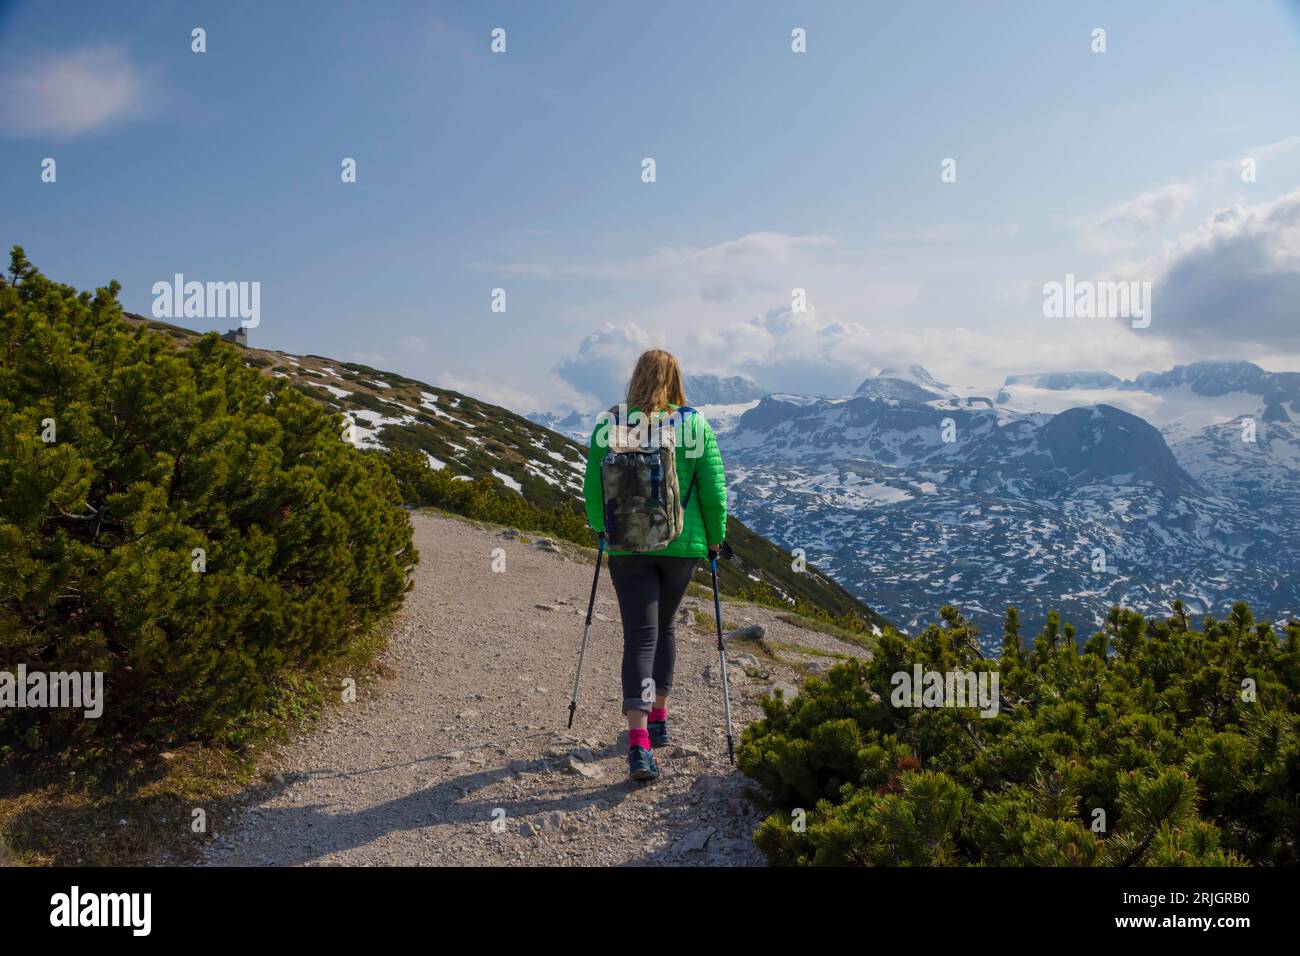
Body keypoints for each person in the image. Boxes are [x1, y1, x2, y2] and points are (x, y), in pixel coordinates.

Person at [582, 349, 727, 781]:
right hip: (680, 547)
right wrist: (715, 540)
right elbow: (713, 491)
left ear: (636, 378)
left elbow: (593, 486)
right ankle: (660, 717)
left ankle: (639, 742)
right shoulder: (694, 425)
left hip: (627, 546)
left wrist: (600, 529)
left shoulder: (610, 423)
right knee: (664, 628)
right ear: (677, 379)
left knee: (640, 635)